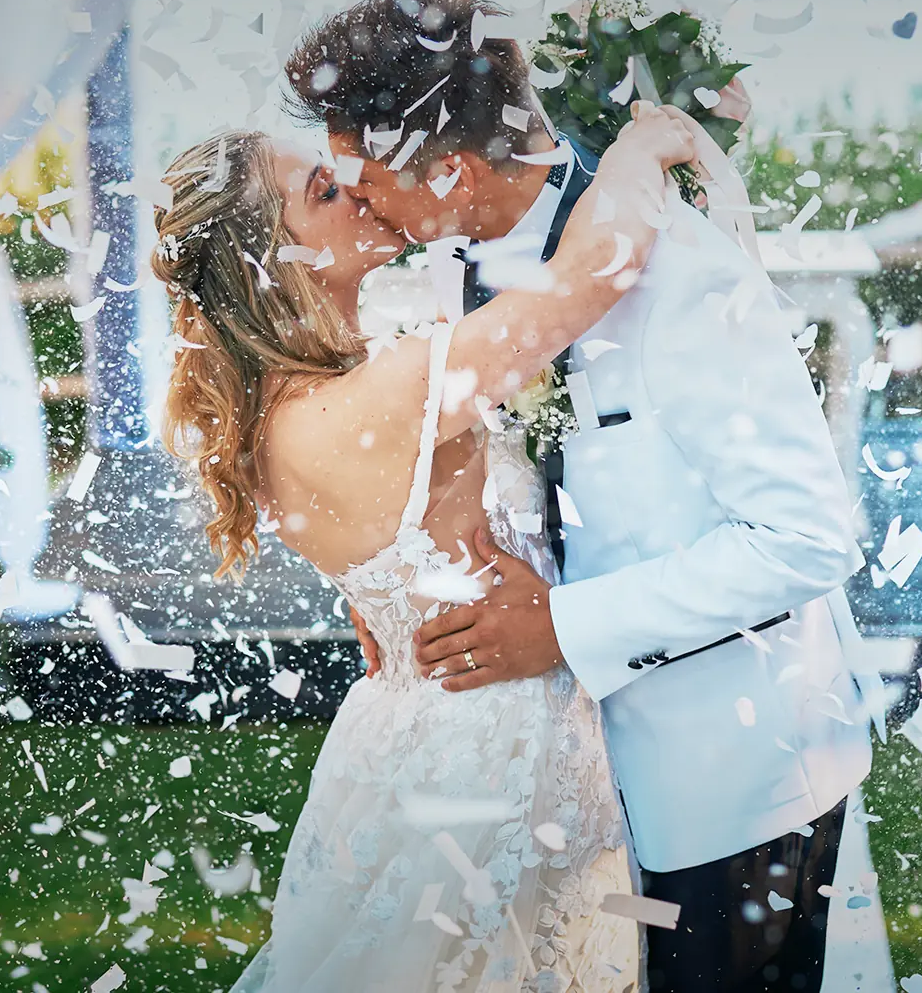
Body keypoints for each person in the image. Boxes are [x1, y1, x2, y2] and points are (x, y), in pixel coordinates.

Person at [285, 0, 882, 992]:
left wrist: (562, 627)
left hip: (722, 787)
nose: (357, 197)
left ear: (450, 169)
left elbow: (806, 536)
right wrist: (398, 573)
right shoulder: (448, 268)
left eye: (364, 172)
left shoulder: (681, 273)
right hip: (554, 788)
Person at [152, 101, 699, 990]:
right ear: (270, 259)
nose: (358, 185)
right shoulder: (390, 389)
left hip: (408, 726)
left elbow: (386, 548)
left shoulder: (280, 414)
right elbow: (596, 269)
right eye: (322, 190)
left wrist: (395, 602)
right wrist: (645, 140)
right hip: (491, 743)